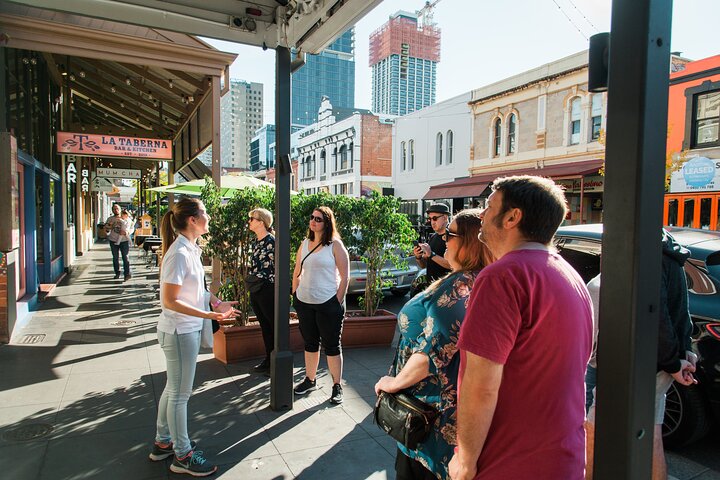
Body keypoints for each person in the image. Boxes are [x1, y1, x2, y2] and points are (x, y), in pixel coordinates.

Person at [448, 175, 593, 480]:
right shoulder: (570, 276)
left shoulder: (502, 276)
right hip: (562, 458)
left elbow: (481, 384)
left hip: (509, 462)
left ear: (512, 217)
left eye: (488, 206)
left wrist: (466, 460)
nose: (482, 214)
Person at [374, 209, 494, 480]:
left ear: (468, 242)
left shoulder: (460, 287)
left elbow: (432, 354)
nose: (444, 239)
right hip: (438, 409)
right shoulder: (475, 280)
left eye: (449, 234)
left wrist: (390, 383)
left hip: (428, 413)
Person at [584, 231, 697, 480]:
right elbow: (680, 309)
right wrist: (684, 351)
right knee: (651, 433)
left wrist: (673, 361)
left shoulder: (644, 258)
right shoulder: (671, 253)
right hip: (654, 362)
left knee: (593, 430)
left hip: (630, 359)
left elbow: (656, 315)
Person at [149, 197, 237, 477]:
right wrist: (210, 316)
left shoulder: (189, 249)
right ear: (192, 220)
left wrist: (215, 302)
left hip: (181, 330)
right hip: (178, 331)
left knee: (173, 389)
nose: (209, 217)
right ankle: (183, 455)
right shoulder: (179, 253)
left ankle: (163, 442)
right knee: (180, 394)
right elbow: (170, 301)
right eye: (205, 213)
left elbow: (195, 290)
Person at [292, 207, 350, 405]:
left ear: (327, 223)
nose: (313, 221)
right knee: (310, 343)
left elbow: (345, 276)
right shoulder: (305, 243)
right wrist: (295, 295)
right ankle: (310, 379)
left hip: (328, 304)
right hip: (305, 302)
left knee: (332, 346)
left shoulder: (335, 245)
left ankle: (336, 385)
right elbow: (297, 271)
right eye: (312, 217)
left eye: (318, 219)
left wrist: (337, 301)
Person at [247, 208, 276, 374]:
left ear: (261, 222)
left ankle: (274, 361)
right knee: (264, 325)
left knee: (271, 324)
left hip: (268, 288)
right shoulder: (256, 242)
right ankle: (268, 359)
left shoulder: (272, 241)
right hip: (256, 287)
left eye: (252, 218)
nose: (249, 221)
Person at [414, 203, 452, 282]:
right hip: (431, 287)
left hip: (446, 287)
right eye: (430, 219)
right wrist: (418, 257)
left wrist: (431, 254)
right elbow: (424, 266)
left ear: (445, 218)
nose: (432, 222)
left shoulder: (452, 237)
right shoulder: (432, 237)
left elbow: (452, 265)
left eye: (435, 218)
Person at [105, 203, 134, 280]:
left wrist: (127, 232)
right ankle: (117, 273)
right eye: (114, 209)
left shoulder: (126, 217)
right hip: (113, 240)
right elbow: (106, 229)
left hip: (124, 240)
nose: (116, 210)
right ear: (112, 210)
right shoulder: (110, 219)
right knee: (115, 257)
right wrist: (109, 227)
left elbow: (131, 227)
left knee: (125, 257)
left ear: (120, 209)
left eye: (117, 208)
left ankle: (127, 274)